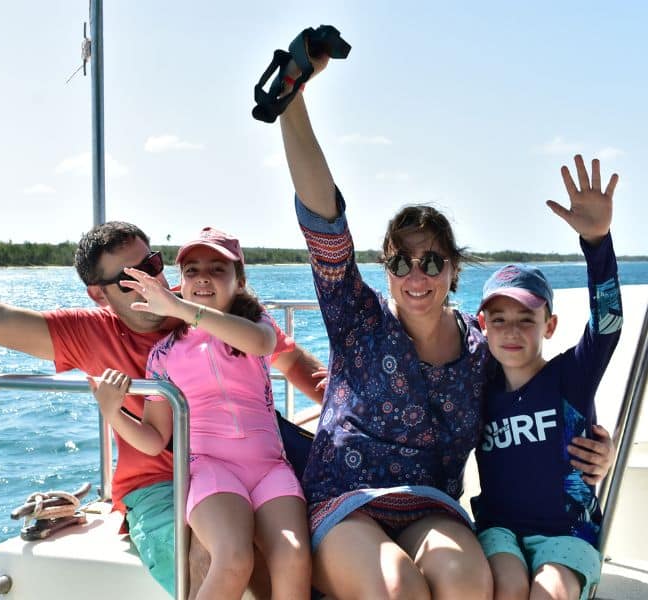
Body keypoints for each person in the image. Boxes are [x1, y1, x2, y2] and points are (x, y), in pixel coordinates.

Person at [266, 39, 616, 600]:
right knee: (398, 585)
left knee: (468, 579)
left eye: (431, 260)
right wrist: (293, 100)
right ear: (387, 271)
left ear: (453, 270)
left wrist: (594, 444)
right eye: (401, 261)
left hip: (431, 504)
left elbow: (540, 401)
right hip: (347, 500)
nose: (416, 274)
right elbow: (326, 226)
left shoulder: (483, 348)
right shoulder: (356, 318)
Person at [0, 207, 324, 598]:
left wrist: (340, 404)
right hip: (158, 483)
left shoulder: (202, 306)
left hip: (245, 460)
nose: (147, 282)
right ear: (98, 293)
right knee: (216, 562)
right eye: (128, 277)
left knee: (301, 553)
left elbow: (283, 353)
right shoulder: (88, 332)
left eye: (153, 265)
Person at [89, 227, 311, 600]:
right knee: (233, 558)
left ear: (239, 281)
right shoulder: (164, 354)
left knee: (294, 558)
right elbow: (154, 438)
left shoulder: (258, 324)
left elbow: (259, 344)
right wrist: (113, 412)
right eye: (191, 271)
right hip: (212, 471)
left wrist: (179, 308)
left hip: (270, 469)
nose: (202, 277)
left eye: (217, 269)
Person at [472, 157, 621, 600]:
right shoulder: (476, 386)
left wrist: (596, 242)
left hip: (568, 533)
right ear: (483, 326)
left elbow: (609, 322)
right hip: (498, 531)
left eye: (526, 318)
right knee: (508, 585)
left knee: (548, 591)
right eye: (499, 319)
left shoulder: (571, 375)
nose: (512, 331)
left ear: (549, 326)